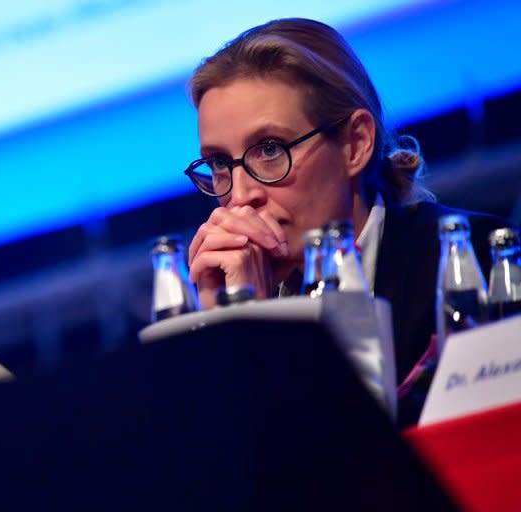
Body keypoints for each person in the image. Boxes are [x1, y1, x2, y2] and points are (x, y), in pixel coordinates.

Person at [182, 18, 516, 426]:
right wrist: (227, 333)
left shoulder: (479, 261)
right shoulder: (229, 303)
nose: (239, 194)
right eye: (219, 163)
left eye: (269, 149)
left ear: (356, 144)